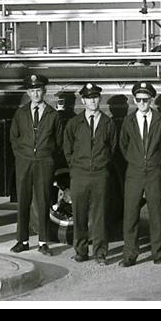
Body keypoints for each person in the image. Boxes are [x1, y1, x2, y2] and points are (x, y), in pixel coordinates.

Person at [119, 81, 161, 266]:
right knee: (131, 214)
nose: (142, 103)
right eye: (139, 99)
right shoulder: (128, 121)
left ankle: (158, 254)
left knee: (156, 214)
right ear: (134, 100)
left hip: (154, 172)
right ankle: (130, 254)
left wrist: (156, 160)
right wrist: (135, 160)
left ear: (151, 100)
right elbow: (123, 145)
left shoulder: (160, 120)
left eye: (146, 99)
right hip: (134, 173)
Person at [62, 82, 117, 264]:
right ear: (83, 100)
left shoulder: (108, 123)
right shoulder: (74, 123)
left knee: (99, 215)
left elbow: (113, 148)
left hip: (100, 174)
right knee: (79, 214)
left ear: (99, 99)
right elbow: (68, 148)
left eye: (95, 97)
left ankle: (100, 252)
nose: (92, 101)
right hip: (80, 175)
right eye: (89, 98)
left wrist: (102, 164)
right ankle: (81, 250)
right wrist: (76, 167)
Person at [9, 73, 61, 255]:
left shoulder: (52, 114)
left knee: (43, 201)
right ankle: (22, 240)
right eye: (32, 90)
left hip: (44, 163)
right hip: (24, 162)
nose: (36, 94)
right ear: (28, 93)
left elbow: (58, 140)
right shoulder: (21, 113)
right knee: (23, 201)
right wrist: (21, 156)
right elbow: (14, 137)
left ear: (44, 91)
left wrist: (47, 156)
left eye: (38, 90)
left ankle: (43, 242)